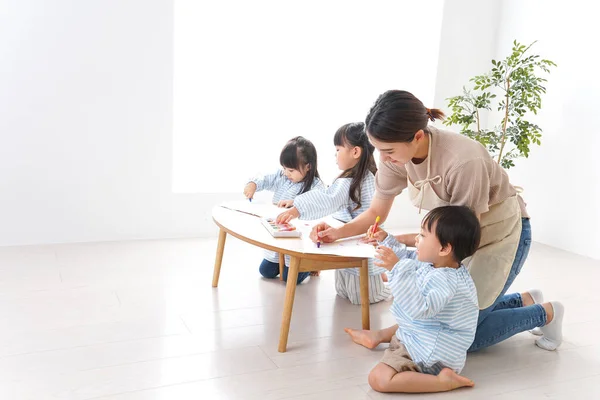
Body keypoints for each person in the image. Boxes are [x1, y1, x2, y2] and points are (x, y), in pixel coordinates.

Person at [310, 90, 564, 351]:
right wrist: (338, 233)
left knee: (463, 336)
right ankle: (524, 300)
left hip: (499, 233)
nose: (383, 159)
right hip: (454, 237)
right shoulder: (393, 157)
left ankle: (546, 313)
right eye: (378, 150)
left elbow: (458, 237)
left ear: (418, 136)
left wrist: (404, 251)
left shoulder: (464, 161)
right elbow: (376, 210)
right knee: (448, 316)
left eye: (388, 151)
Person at [361, 206, 480, 393]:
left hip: (430, 352)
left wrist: (396, 270)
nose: (416, 239)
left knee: (378, 379)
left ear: (444, 248)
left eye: (423, 235)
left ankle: (442, 382)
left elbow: (420, 309)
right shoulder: (438, 264)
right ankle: (383, 339)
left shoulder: (445, 281)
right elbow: (409, 258)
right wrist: (386, 240)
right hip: (425, 337)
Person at [276, 122, 390, 304]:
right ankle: (381, 279)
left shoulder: (355, 180)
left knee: (363, 297)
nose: (335, 154)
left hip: (360, 240)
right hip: (351, 239)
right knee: (344, 290)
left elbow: (328, 198)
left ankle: (390, 286)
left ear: (355, 152)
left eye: (338, 149)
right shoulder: (358, 177)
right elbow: (330, 195)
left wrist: (297, 208)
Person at [244, 136, 324, 283]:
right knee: (266, 271)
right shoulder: (283, 177)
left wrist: (295, 203)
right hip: (279, 235)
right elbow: (266, 178)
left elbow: (318, 200)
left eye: (291, 170)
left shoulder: (315, 185)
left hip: (299, 241)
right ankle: (285, 265)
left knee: (289, 277)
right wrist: (253, 184)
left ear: (308, 166)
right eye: (284, 168)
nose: (287, 173)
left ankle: (312, 265)